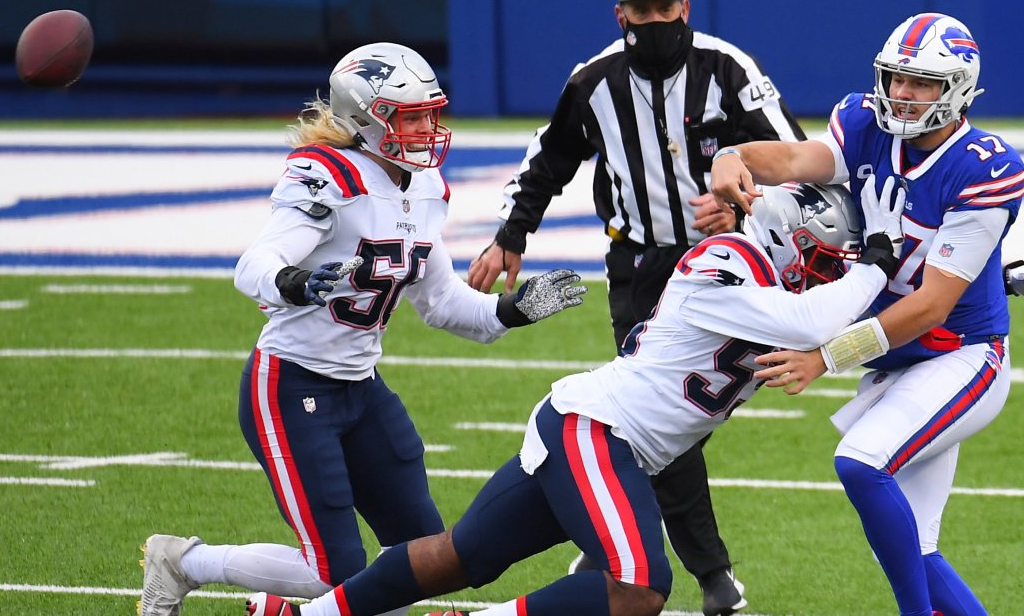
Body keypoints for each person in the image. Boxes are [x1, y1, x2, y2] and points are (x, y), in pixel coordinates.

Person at [242, 178, 905, 616]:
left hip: (605, 440)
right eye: (822, 259)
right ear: (789, 239)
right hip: (595, 430)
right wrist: (875, 265)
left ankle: (304, 614)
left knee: (459, 556)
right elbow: (813, 323)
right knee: (640, 588)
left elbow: (837, 329)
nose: (825, 274)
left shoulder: (777, 283)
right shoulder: (726, 259)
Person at [138, 43, 586, 616]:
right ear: (367, 118)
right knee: (335, 572)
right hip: (291, 386)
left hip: (361, 388)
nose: (428, 127)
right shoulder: (327, 177)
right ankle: (183, 562)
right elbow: (254, 266)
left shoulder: (423, 188)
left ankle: (277, 610)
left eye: (430, 112)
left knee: (430, 555)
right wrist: (296, 281)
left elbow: (444, 303)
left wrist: (510, 311)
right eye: (412, 115)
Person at [465, 0, 807, 613]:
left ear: (685, 8)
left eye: (664, 9)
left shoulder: (728, 69)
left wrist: (744, 205)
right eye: (641, 12)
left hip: (729, 265)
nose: (655, 21)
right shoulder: (594, 80)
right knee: (655, 416)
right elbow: (552, 156)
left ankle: (604, 543)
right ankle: (712, 577)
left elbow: (794, 161)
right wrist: (512, 232)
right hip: (642, 269)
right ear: (621, 14)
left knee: (688, 411)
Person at [710, 12, 1024, 615]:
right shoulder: (865, 124)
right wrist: (736, 154)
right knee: (921, 550)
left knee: (861, 461)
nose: (902, 95)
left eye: (920, 83)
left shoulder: (985, 166)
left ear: (957, 88)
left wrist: (825, 357)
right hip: (898, 357)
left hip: (962, 355)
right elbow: (796, 160)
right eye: (896, 78)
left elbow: (933, 303)